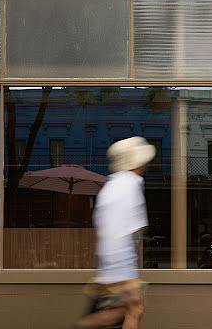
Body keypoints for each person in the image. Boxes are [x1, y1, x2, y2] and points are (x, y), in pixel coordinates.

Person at [75, 136, 155, 329]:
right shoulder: (128, 186)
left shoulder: (113, 186)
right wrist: (127, 276)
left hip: (110, 265)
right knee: (133, 311)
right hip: (119, 264)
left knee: (122, 313)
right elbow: (119, 233)